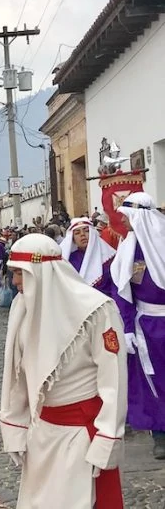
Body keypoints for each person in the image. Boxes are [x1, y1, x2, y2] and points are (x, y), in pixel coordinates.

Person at [0, 234, 126, 508]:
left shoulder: (97, 310)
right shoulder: (22, 306)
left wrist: (107, 438)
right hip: (41, 433)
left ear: (42, 270)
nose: (15, 282)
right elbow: (17, 373)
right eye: (13, 273)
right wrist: (15, 424)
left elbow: (113, 380)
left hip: (80, 435)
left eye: (21, 273)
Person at [110, 192, 165, 459]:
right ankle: (160, 434)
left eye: (127, 216)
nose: (123, 221)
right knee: (153, 381)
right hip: (148, 328)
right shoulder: (129, 249)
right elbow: (123, 292)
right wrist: (128, 327)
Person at [60, 217, 116, 296]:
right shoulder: (69, 260)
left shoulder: (109, 257)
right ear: (73, 239)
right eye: (77, 233)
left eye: (86, 231)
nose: (82, 234)